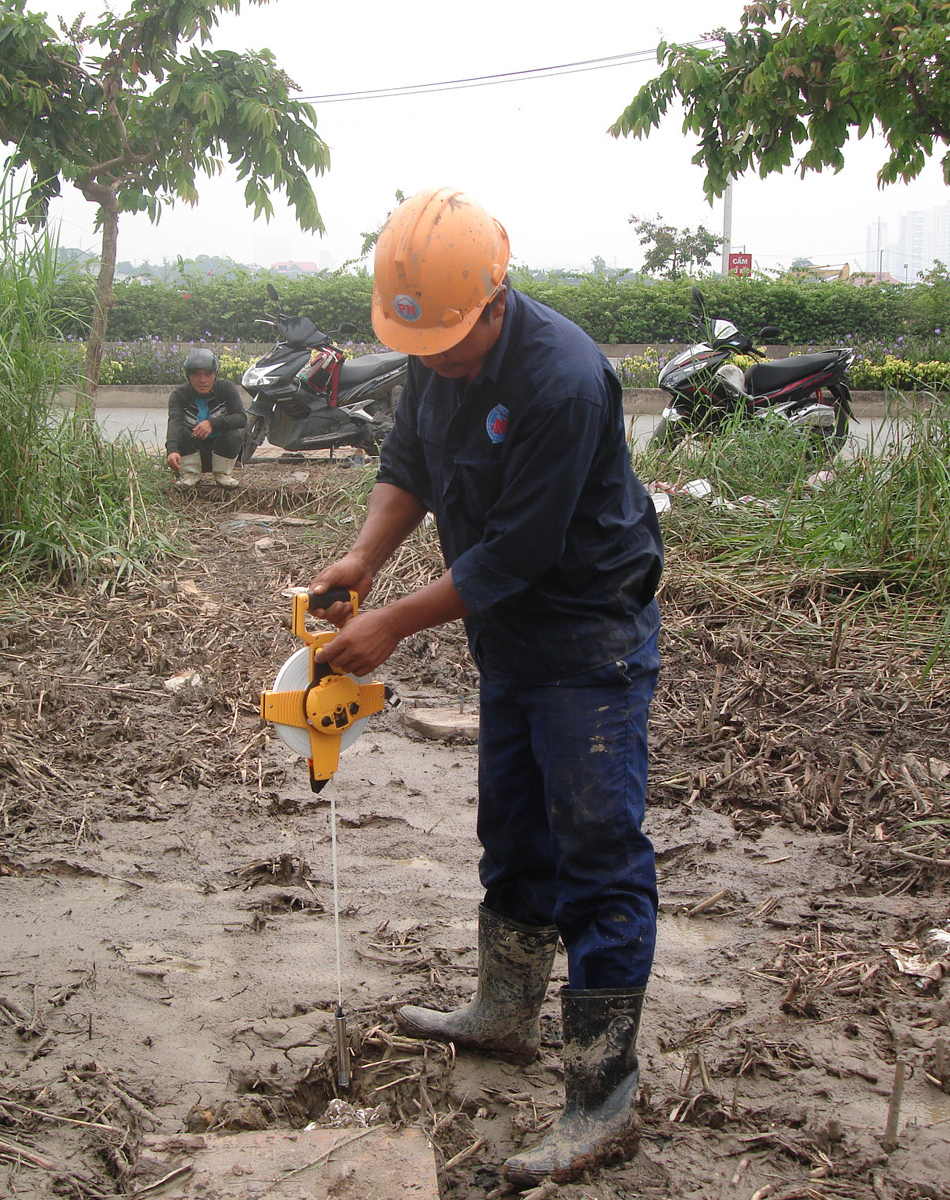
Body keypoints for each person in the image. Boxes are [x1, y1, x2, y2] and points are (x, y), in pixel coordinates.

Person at [309, 187, 664, 1187]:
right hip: (508, 639)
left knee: (596, 852)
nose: (433, 361)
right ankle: (506, 1012)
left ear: (494, 299)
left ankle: (602, 1092)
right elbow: (410, 464)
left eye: (448, 343)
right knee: (512, 832)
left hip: (588, 634)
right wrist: (362, 563)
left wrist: (390, 625)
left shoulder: (562, 378)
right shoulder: (433, 356)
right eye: (417, 345)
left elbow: (518, 551)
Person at [166, 348, 247, 489]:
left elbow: (241, 418)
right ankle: (192, 475)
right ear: (188, 376)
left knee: (233, 434)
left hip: (220, 450)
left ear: (215, 375)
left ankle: (222, 475)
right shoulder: (179, 395)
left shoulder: (226, 388)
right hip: (193, 450)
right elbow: (175, 423)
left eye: (208, 374)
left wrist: (212, 423)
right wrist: (172, 450)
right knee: (182, 433)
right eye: (196, 375)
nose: (202, 380)